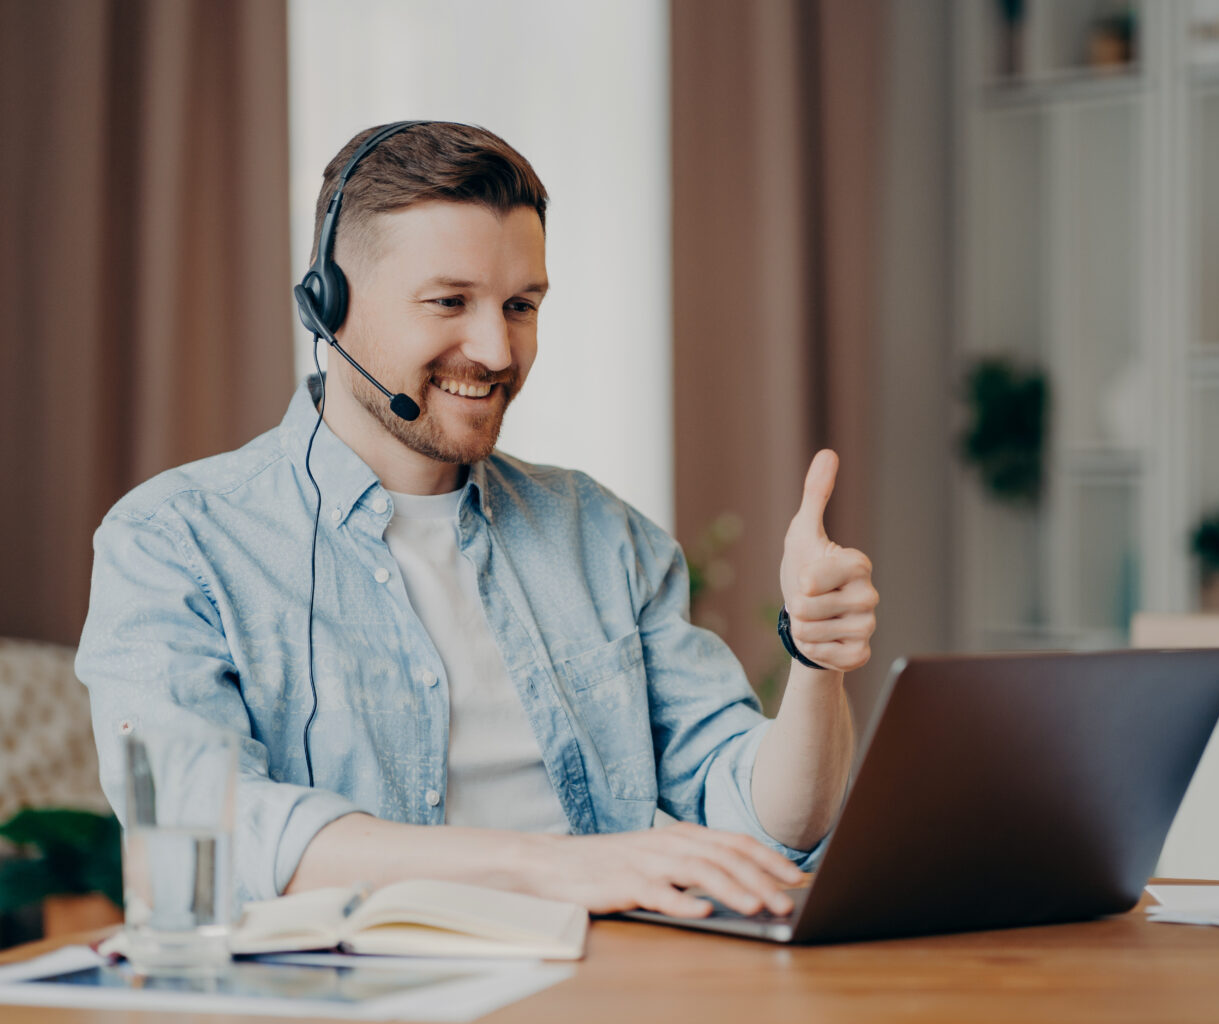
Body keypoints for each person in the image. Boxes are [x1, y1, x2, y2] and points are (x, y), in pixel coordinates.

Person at [77, 121, 878, 920]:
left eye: (520, 304)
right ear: (329, 306)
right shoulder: (173, 541)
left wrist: (815, 660)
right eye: (449, 302)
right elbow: (212, 826)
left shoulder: (602, 536)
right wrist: (556, 869)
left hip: (608, 991)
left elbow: (766, 823)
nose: (496, 350)